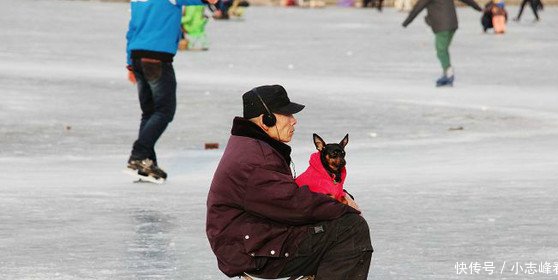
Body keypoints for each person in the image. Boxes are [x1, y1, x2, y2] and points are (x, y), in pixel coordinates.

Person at [206, 85, 373, 279]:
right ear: (266, 119)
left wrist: (339, 198)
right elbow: (295, 206)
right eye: (287, 114)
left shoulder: (252, 145)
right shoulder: (257, 158)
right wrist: (342, 207)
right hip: (253, 251)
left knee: (331, 219)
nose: (294, 121)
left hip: (253, 238)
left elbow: (285, 199)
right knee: (351, 227)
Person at [125, 0, 216, 182]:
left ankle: (146, 163)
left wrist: (129, 62)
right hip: (156, 56)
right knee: (164, 111)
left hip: (137, 54)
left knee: (149, 112)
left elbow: (131, 29)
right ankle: (138, 155)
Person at [402, 0, 482, 87]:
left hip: (442, 25)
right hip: (452, 24)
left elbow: (418, 8)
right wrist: (478, 8)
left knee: (441, 50)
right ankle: (446, 73)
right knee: (443, 50)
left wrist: (406, 22)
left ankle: (448, 73)